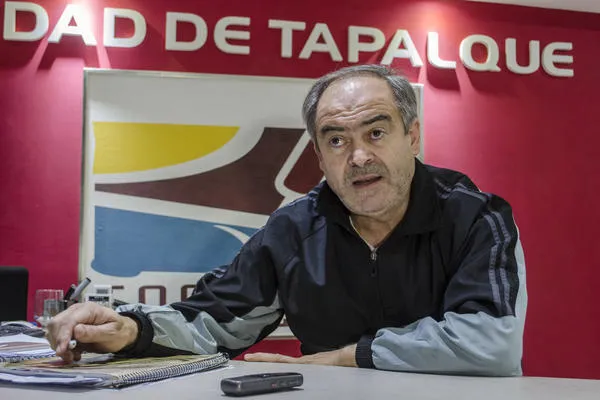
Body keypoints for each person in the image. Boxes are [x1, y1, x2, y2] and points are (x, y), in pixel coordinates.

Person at [47, 64, 527, 376]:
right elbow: (214, 322)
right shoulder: (293, 230)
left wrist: (348, 356)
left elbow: (490, 342)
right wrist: (129, 328)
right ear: (319, 156)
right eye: (336, 140)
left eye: (376, 132)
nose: (359, 156)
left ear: (413, 136)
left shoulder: (475, 216)